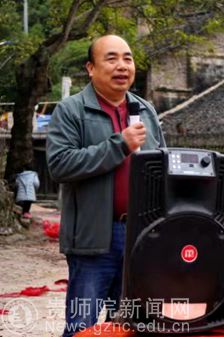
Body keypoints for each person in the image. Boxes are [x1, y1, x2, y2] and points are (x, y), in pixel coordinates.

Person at [46, 35, 165, 337]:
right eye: (111, 58)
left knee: (130, 327)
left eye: (128, 58)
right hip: (93, 239)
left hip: (141, 238)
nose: (122, 66)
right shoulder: (71, 110)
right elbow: (60, 165)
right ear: (91, 68)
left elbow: (162, 168)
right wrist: (119, 145)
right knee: (82, 327)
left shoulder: (146, 111)